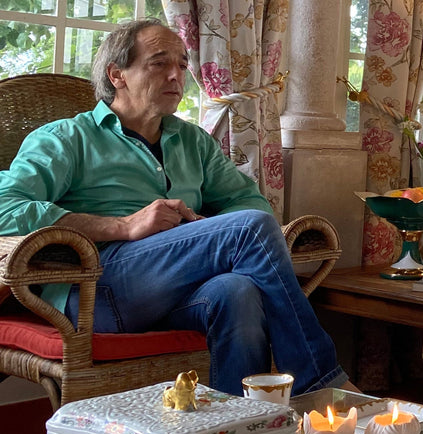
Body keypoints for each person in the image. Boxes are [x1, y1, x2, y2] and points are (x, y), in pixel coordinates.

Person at [0, 19, 357, 396]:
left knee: (237, 291)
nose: (177, 75)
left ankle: (241, 423)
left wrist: (203, 234)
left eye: (183, 65)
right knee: (248, 229)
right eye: (159, 63)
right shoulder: (67, 138)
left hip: (180, 292)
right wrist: (123, 226)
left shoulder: (193, 142)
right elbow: (6, 206)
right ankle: (317, 382)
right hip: (97, 290)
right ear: (117, 75)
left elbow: (248, 201)